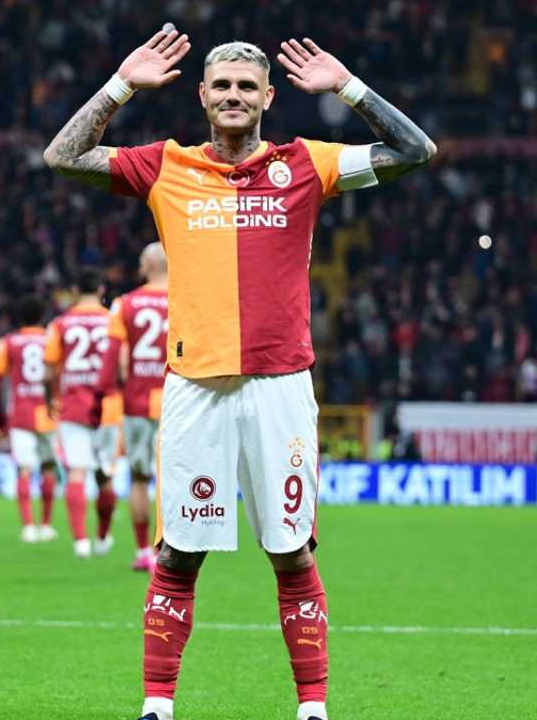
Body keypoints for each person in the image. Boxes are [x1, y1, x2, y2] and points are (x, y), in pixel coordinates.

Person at [44, 26, 436, 720]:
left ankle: (311, 708)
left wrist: (348, 88)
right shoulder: (165, 166)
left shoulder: (306, 164)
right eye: (221, 85)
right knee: (178, 554)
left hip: (281, 385)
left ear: (268, 98)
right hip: (195, 387)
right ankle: (157, 706)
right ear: (201, 95)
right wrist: (122, 85)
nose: (233, 95)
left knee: (292, 553)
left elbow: (416, 151)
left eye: (246, 87)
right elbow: (62, 156)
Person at [43, 267, 117, 559]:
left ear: (75, 292)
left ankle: (80, 541)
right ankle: (102, 536)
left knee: (76, 472)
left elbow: (48, 370)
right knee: (105, 476)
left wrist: (50, 399)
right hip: (108, 407)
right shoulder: (114, 319)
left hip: (73, 407)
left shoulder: (60, 324)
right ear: (101, 290)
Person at [107, 242, 169, 572]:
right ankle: (168, 552)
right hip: (177, 401)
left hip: (137, 401)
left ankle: (144, 551)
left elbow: (118, 362)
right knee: (173, 480)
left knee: (140, 478)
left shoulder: (124, 304)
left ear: (146, 266)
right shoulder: (187, 299)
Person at [0, 295, 60, 544]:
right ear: (43, 316)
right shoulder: (52, 339)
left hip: (20, 413)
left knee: (24, 469)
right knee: (49, 467)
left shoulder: (8, 342)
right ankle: (47, 525)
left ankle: (28, 527)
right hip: (49, 413)